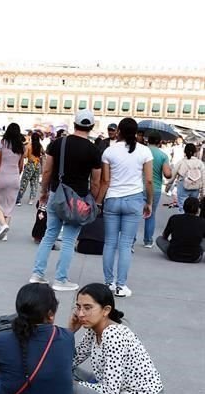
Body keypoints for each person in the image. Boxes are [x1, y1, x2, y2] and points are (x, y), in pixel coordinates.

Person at [69, 283, 164, 394]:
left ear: (106, 310)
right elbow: (70, 361)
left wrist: (76, 385)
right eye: (78, 307)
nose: (80, 314)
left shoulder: (113, 334)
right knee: (64, 371)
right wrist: (69, 332)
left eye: (87, 308)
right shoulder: (94, 329)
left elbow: (109, 392)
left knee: (67, 388)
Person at [29, 111, 102, 291]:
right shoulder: (93, 150)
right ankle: (60, 279)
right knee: (69, 239)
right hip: (78, 199)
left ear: (74, 124)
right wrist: (93, 199)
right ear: (91, 127)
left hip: (57, 193)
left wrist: (44, 191)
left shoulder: (58, 143)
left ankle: (37, 274)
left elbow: (47, 171)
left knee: (49, 234)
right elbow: (95, 180)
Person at [97, 117, 153, 298]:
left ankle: (108, 283)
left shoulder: (109, 151)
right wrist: (149, 201)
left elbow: (105, 181)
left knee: (110, 243)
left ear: (119, 130)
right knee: (126, 244)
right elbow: (149, 180)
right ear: (136, 132)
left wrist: (98, 201)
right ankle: (121, 286)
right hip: (134, 199)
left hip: (112, 199)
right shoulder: (144, 151)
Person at [0, 122, 24, 240]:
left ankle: (3, 225)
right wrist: (16, 175)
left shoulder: (2, 143)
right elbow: (21, 166)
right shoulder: (21, 146)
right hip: (14, 177)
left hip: (2, 175)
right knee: (9, 205)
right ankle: (5, 232)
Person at [141, 131, 172, 248]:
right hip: (156, 188)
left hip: (138, 187)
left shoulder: (141, 151)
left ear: (148, 140)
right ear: (160, 142)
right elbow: (167, 174)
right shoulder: (163, 156)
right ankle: (148, 241)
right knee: (151, 214)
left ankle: (131, 241)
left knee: (134, 215)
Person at [156, 196, 205, 263]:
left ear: (184, 207)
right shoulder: (202, 221)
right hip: (194, 257)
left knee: (159, 239)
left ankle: (176, 248)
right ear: (197, 209)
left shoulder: (174, 218)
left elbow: (164, 236)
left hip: (173, 254)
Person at [166, 143, 204, 212]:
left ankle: (182, 221)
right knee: (193, 208)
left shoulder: (181, 162)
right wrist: (203, 193)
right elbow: (204, 178)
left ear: (185, 151)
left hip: (183, 186)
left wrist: (168, 187)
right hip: (195, 188)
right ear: (195, 152)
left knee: (182, 207)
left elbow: (173, 176)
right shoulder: (200, 163)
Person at [16, 132, 44, 206]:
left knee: (24, 182)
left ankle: (18, 199)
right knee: (34, 183)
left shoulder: (29, 146)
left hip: (30, 165)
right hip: (37, 165)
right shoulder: (40, 146)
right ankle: (31, 199)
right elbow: (43, 155)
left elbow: (25, 156)